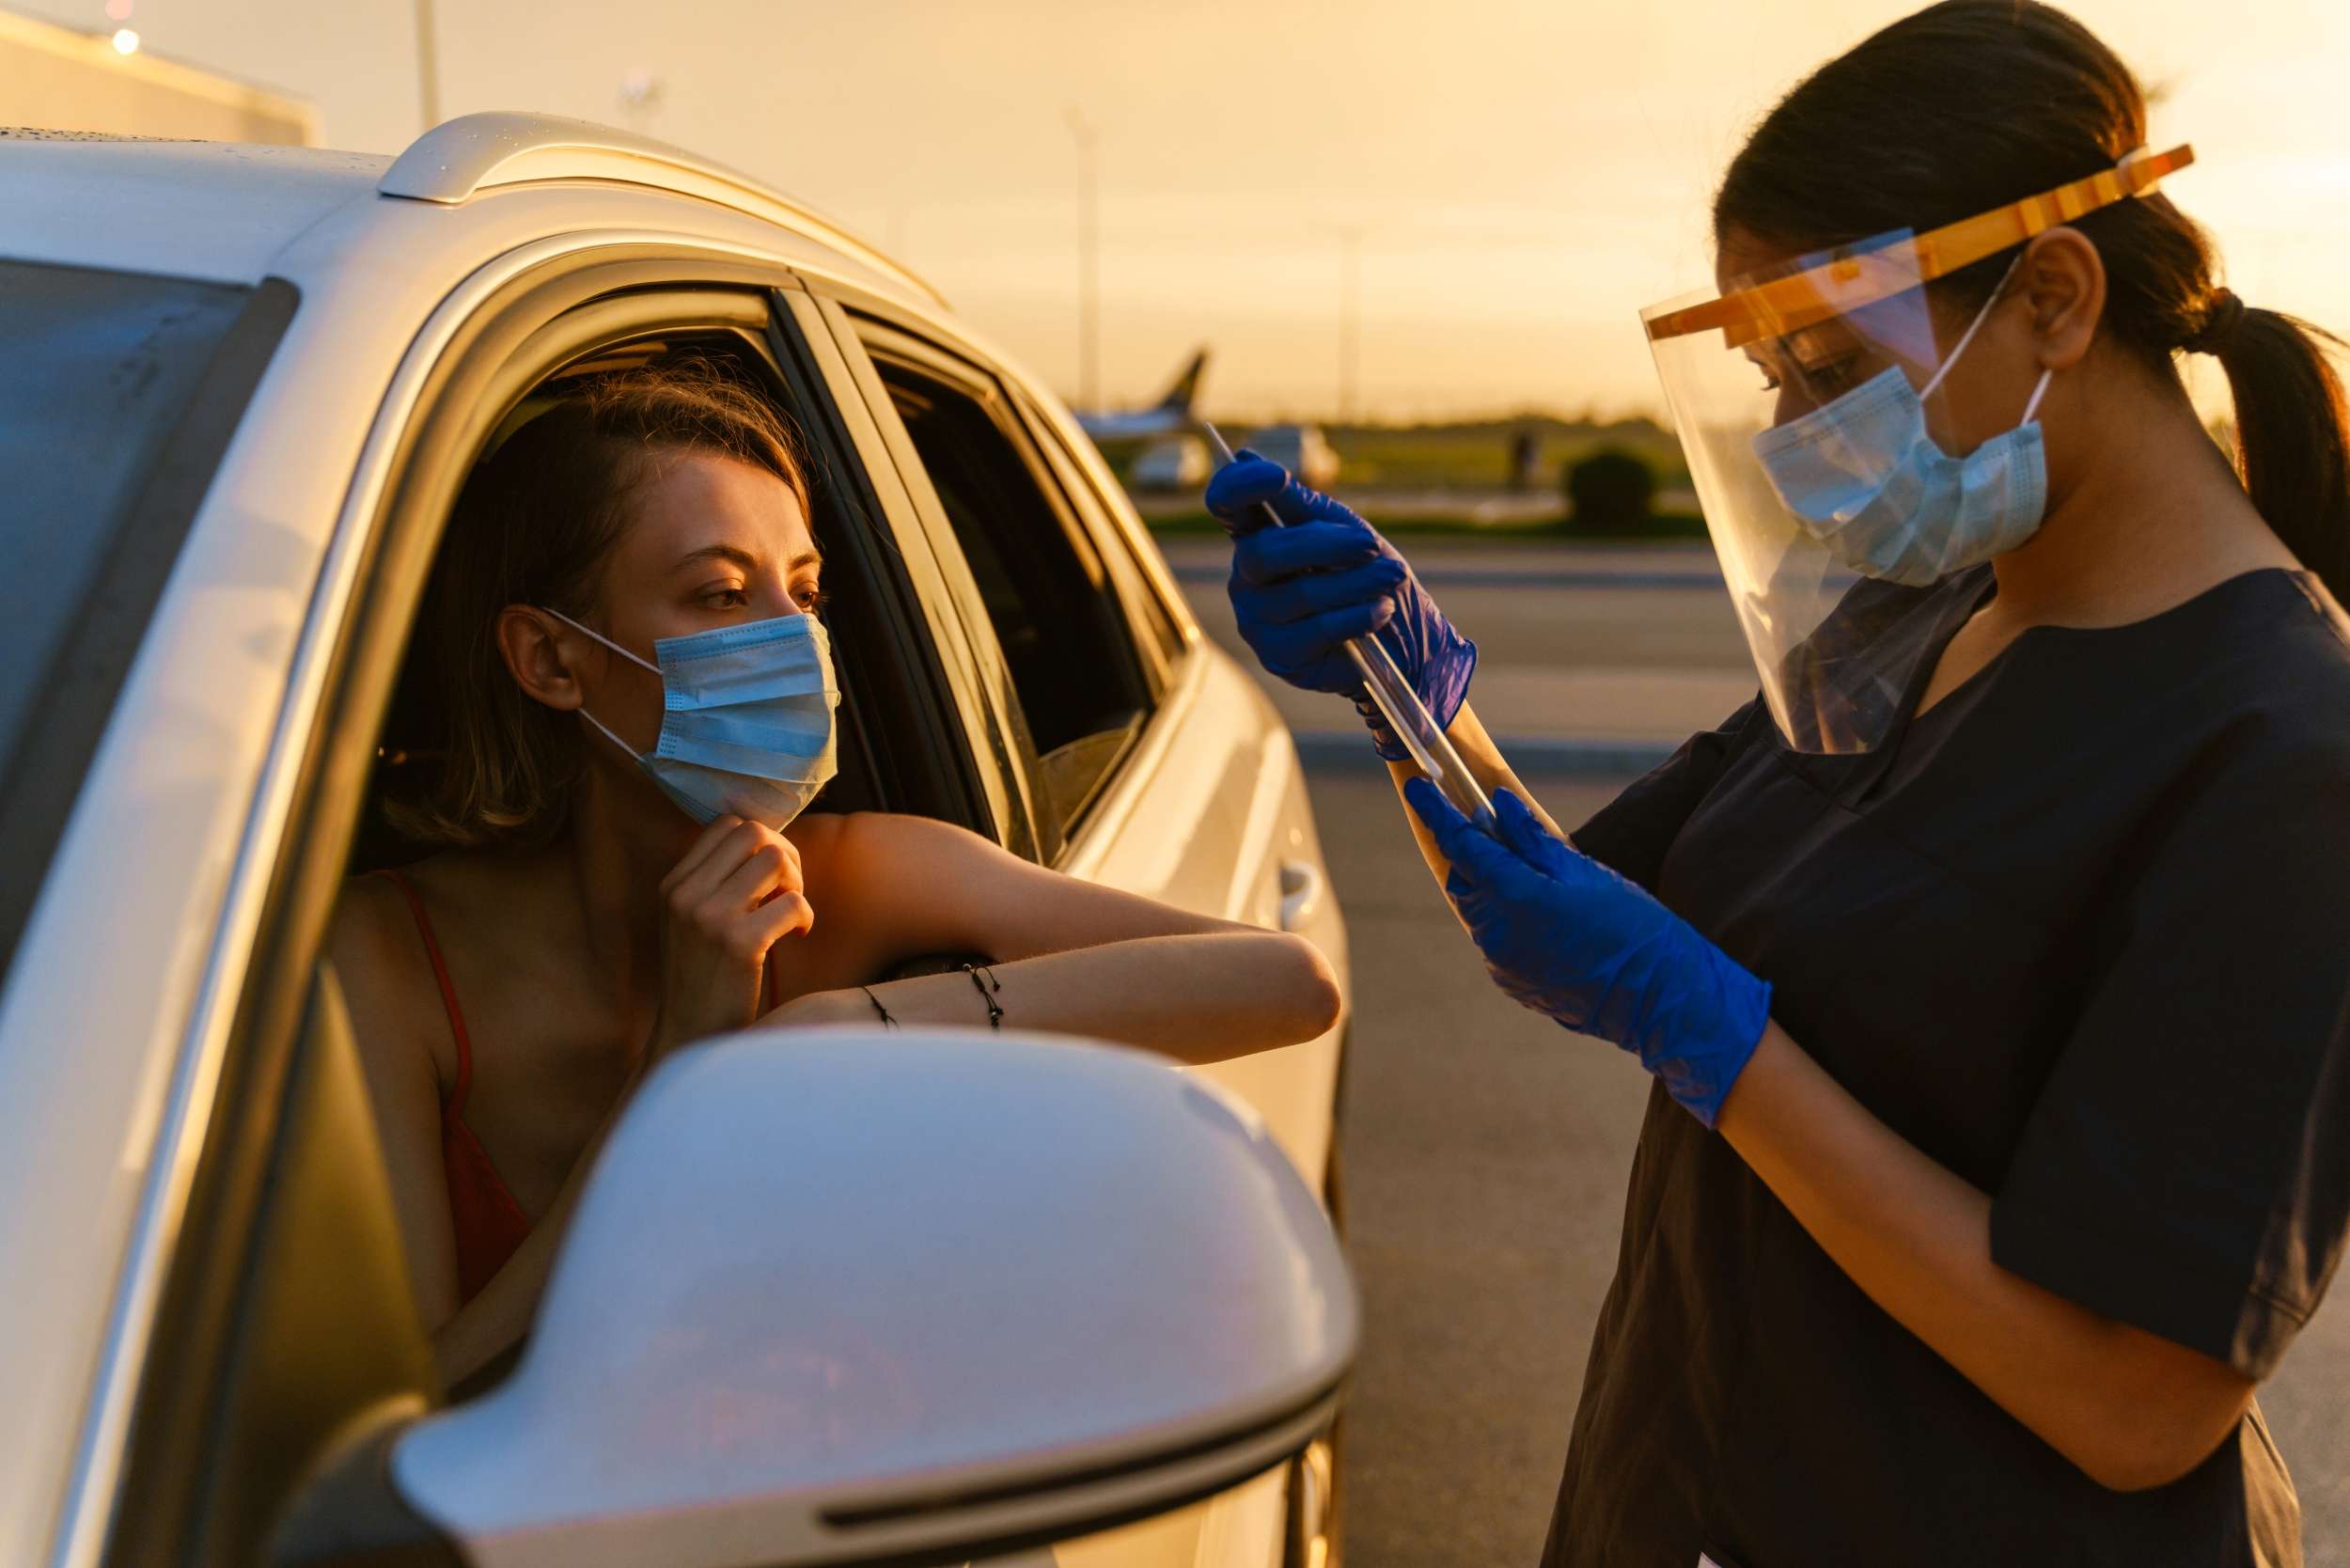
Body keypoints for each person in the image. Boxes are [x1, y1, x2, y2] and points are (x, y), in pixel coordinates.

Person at [1205, 4, 2350, 1562]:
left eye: (1828, 363)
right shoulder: (1926, 609)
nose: (1795, 434)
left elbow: (2137, 1404)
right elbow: (1580, 913)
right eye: (1768, 374)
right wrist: (1407, 693)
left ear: (2054, 297)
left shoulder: (2285, 753)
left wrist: (1723, 1046)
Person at [331, 361, 1342, 1388]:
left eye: (805, 592)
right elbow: (416, 1416)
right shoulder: (388, 961)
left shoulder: (869, 877)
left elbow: (1290, 983)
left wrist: (834, 1033)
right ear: (552, 659)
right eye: (722, 594)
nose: (796, 639)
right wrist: (682, 1069)